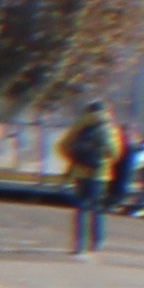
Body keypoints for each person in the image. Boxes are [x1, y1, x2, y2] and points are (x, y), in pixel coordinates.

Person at [59, 104, 124, 254]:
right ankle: (96, 242)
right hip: (100, 175)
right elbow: (115, 153)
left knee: (81, 209)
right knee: (97, 209)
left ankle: (79, 244)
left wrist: (76, 158)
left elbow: (62, 146)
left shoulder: (81, 125)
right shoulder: (109, 128)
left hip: (81, 173)